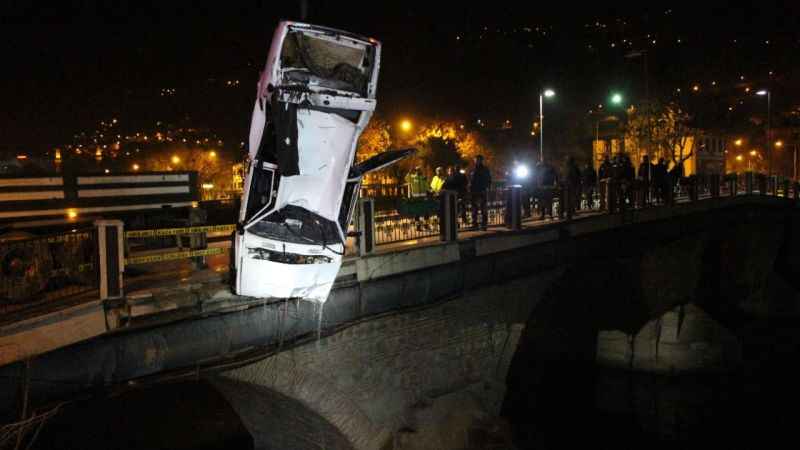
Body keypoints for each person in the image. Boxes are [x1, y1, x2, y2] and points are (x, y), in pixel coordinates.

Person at [469, 155, 492, 230]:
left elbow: (488, 180)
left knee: (483, 208)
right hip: (474, 191)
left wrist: (486, 188)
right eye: (475, 160)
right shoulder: (472, 169)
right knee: (474, 209)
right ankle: (475, 224)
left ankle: (484, 225)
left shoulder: (485, 169)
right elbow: (470, 180)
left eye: (477, 160)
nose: (476, 161)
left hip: (481, 190)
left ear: (481, 160)